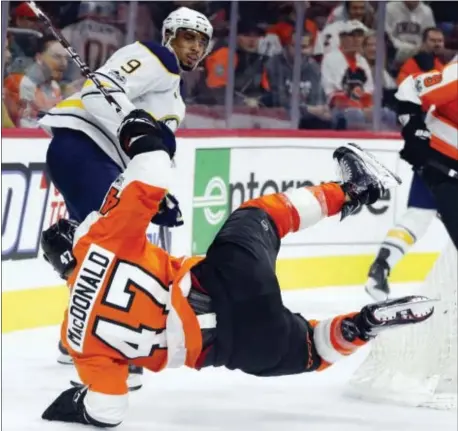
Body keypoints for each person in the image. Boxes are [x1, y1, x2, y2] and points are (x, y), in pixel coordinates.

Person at [40, 112, 434, 428]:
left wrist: (78, 406)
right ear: (75, 237)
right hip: (226, 280)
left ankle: (362, 325)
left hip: (230, 347)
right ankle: (356, 189)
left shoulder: (76, 337)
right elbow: (152, 174)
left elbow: (109, 410)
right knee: (259, 214)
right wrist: (141, 133)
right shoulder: (99, 241)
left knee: (311, 349)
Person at [37, 6, 213, 384]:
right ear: (169, 36)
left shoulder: (174, 97)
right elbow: (98, 92)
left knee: (100, 249)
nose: (196, 46)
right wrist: (136, 124)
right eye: (188, 36)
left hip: (99, 161)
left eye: (202, 40)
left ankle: (75, 337)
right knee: (114, 249)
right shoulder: (158, 57)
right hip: (84, 147)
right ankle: (107, 347)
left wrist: (158, 189)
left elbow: (143, 145)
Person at [365, 59, 457, 300]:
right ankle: (381, 267)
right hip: (438, 156)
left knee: (419, 214)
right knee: (421, 214)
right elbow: (410, 88)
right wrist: (414, 128)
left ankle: (382, 265)